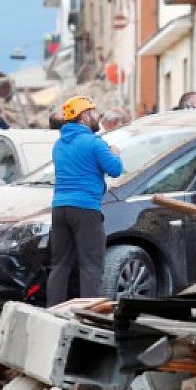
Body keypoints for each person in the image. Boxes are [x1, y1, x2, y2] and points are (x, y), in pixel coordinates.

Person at [46, 96, 123, 306]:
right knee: (91, 265)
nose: (97, 116)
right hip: (86, 208)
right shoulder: (94, 143)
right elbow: (115, 169)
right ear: (84, 117)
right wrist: (115, 153)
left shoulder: (59, 145)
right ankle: (90, 312)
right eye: (93, 112)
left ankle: (53, 310)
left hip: (59, 208)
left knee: (60, 264)